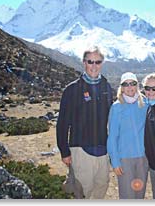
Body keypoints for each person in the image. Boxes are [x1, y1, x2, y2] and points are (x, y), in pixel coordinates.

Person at [56, 46, 113, 199]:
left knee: (102, 186)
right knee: (83, 191)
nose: (94, 66)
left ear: (102, 63)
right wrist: (64, 151)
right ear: (84, 63)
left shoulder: (106, 87)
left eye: (98, 62)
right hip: (80, 149)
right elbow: (62, 124)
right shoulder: (72, 90)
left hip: (103, 150)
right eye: (90, 61)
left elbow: (112, 120)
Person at [107, 72, 149, 199]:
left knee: (139, 193)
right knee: (127, 195)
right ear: (121, 87)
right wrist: (115, 161)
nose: (130, 87)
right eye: (126, 84)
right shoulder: (116, 107)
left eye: (133, 83)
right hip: (124, 159)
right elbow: (112, 136)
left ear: (137, 85)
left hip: (143, 158)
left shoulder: (145, 103)